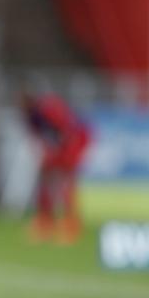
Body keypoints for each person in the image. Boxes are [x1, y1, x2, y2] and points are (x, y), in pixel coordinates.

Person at [20, 90, 89, 244]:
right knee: (46, 181)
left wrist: (58, 153)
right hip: (58, 146)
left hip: (72, 144)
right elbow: (39, 137)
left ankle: (70, 225)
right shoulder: (30, 116)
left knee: (65, 184)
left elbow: (67, 131)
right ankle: (45, 222)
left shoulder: (48, 109)